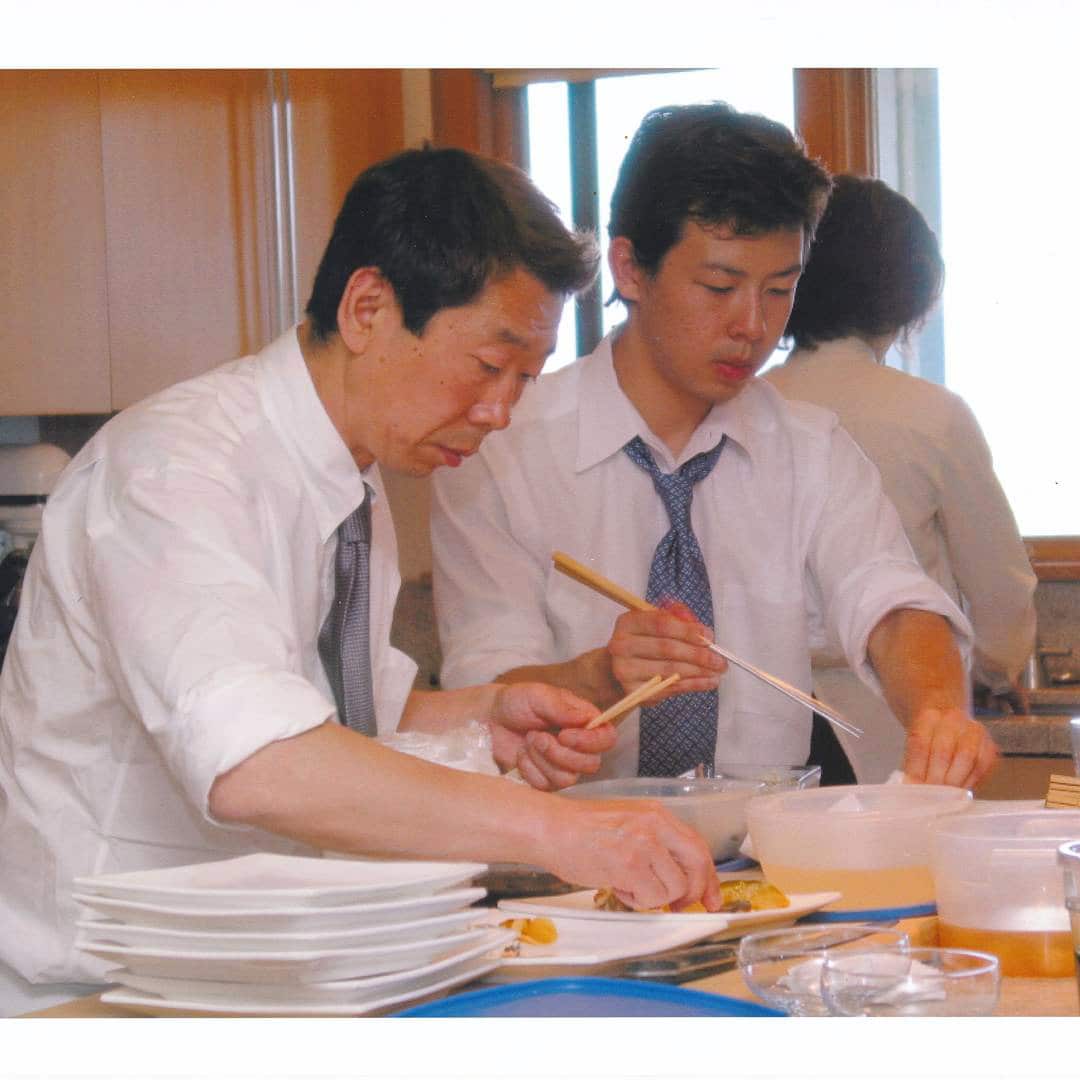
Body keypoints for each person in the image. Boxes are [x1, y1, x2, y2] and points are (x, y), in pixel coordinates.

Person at [0, 147, 723, 1016]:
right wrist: (563, 833)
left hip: (268, 975)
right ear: (369, 307)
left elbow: (340, 716)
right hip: (97, 998)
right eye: (488, 368)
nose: (500, 413)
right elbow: (260, 761)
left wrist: (490, 717)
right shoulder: (176, 470)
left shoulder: (354, 472)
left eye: (524, 382)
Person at [431, 102, 999, 793]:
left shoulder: (810, 450)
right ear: (631, 269)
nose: (752, 326)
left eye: (781, 290)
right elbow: (484, 686)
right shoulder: (503, 448)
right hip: (571, 845)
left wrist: (939, 712)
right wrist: (599, 673)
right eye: (719, 286)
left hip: (771, 851)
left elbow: (889, 603)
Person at [764, 174, 1036, 782]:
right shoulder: (931, 413)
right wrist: (998, 668)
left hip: (761, 719)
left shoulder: (750, 406)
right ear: (909, 290)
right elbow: (998, 582)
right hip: (901, 710)